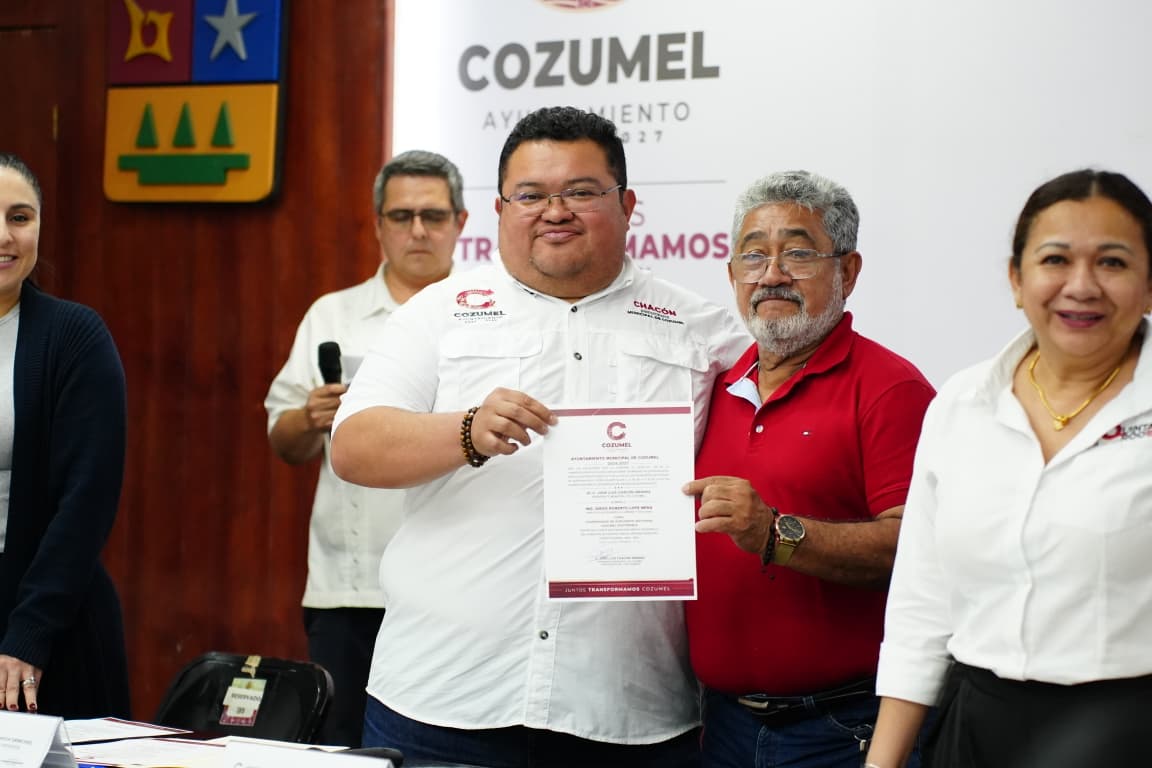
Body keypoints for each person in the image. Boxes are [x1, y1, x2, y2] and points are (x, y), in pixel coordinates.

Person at [329, 106, 749, 768]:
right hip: (443, 699)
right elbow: (353, 447)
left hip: (627, 710)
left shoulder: (701, 329)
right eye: (530, 196)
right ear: (499, 211)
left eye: (581, 192)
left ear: (627, 204)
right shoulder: (436, 314)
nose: (556, 212)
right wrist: (466, 431)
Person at [866, 169, 1152, 768]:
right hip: (974, 727)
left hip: (1128, 730)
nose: (1081, 285)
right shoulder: (961, 403)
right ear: (1017, 280)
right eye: (1055, 260)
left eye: (1112, 262)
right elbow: (922, 607)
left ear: (1149, 284)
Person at [682, 170, 935, 768]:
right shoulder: (711, 384)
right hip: (718, 726)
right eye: (753, 256)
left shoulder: (890, 388)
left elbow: (920, 551)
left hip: (844, 729)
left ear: (848, 271)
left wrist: (776, 534)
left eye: (797, 253)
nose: (771, 274)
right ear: (732, 275)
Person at [264, 150, 467, 747]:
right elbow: (283, 440)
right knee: (345, 747)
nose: (418, 231)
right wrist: (310, 417)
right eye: (401, 216)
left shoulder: (489, 312)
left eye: (433, 216)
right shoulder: (335, 314)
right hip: (352, 586)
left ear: (461, 221)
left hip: (458, 583)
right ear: (378, 225)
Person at [0, 153, 130, 717]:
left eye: (19, 217)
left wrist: (30, 632)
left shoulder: (74, 336)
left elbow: (86, 500)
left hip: (48, 629)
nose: (3, 236)